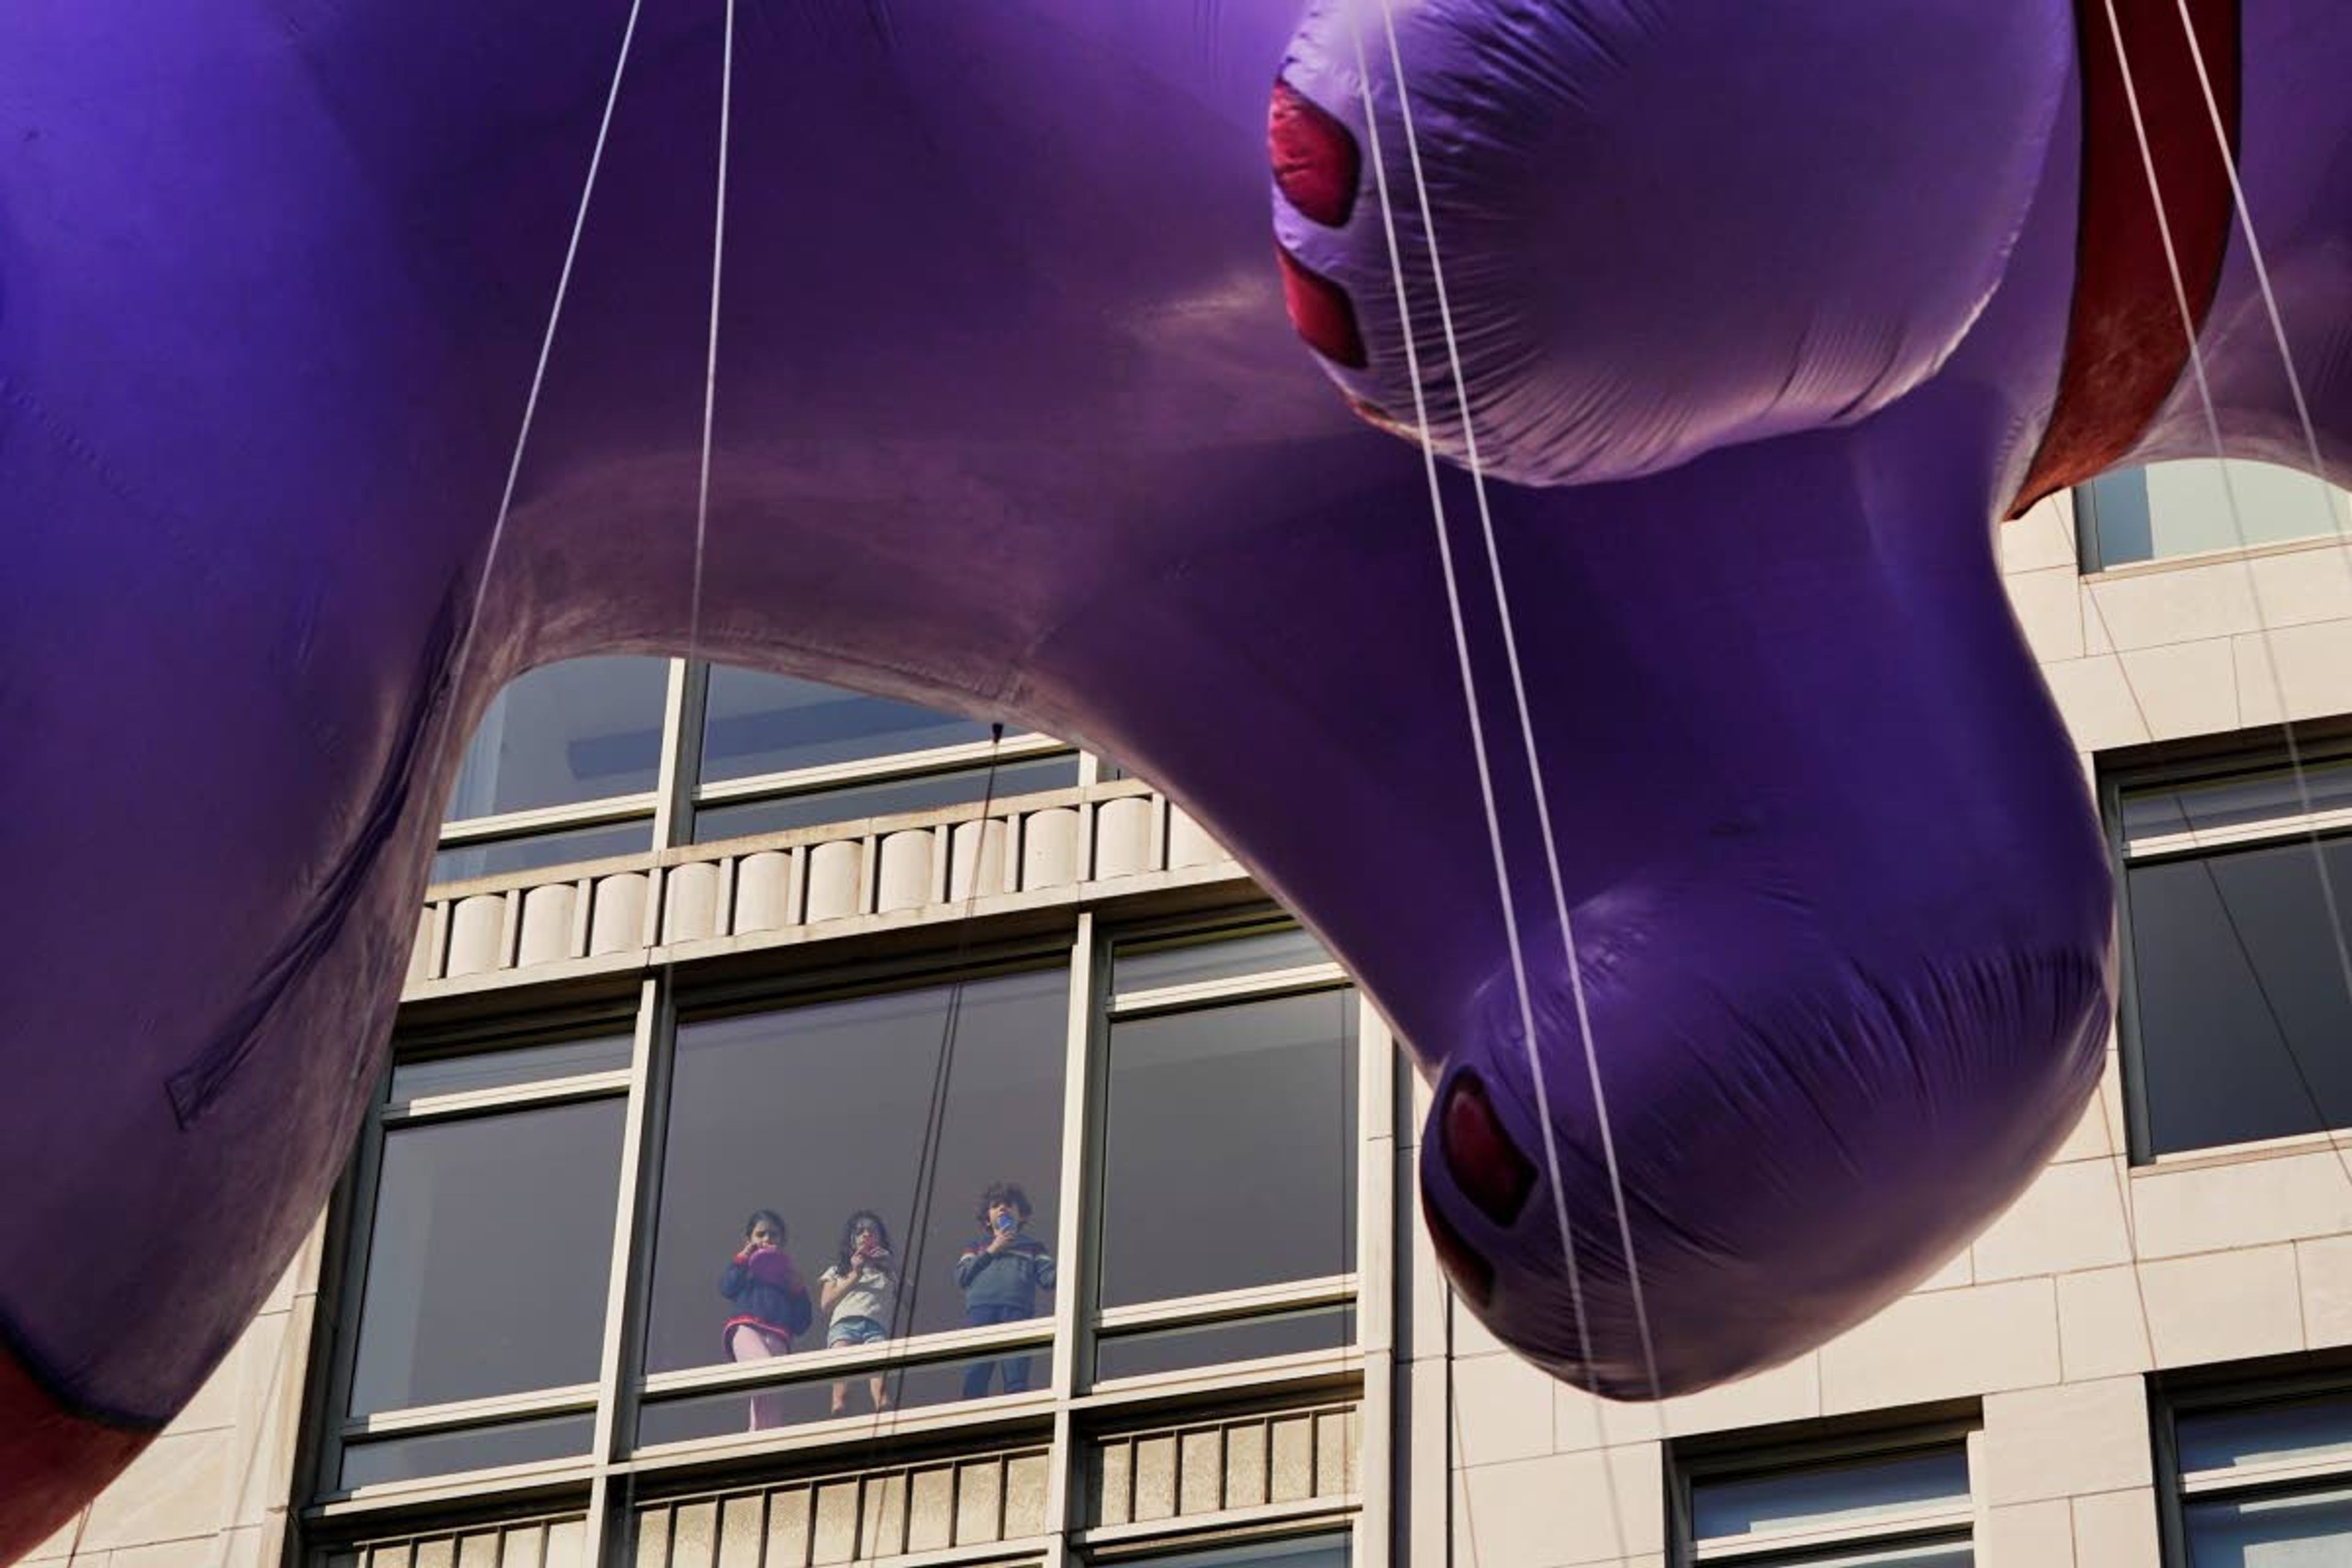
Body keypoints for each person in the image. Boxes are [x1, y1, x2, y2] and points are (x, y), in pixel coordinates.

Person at [954, 1182, 1056, 1398]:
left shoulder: (1032, 1246)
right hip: (981, 1310)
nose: (1002, 1208)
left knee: (1016, 1369)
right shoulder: (977, 1246)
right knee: (977, 1371)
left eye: (1009, 1204)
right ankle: (970, 1418)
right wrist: (992, 1249)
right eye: (995, 1205)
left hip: (1017, 1309)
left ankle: (1016, 1416)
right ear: (986, 1219)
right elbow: (962, 1276)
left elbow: (1049, 1279)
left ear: (1023, 1216)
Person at [719, 1209, 812, 1430]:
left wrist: (800, 1291)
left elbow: (802, 1324)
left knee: (771, 1393)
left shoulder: (788, 1277)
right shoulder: (745, 1271)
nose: (767, 1240)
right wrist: (743, 1257)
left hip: (779, 1337)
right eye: (761, 1235)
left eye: (774, 1235)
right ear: (749, 1240)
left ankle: (761, 1441)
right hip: (747, 1328)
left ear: (782, 1241)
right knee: (765, 1373)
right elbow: (727, 1288)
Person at [817, 1209, 898, 1415]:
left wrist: (891, 1267)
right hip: (844, 1326)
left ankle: (885, 1423)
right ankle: (841, 1426)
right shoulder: (837, 1270)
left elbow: (911, 1300)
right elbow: (826, 1304)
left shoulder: (888, 1273)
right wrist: (856, 1273)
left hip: (876, 1327)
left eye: (872, 1231)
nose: (866, 1235)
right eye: (860, 1231)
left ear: (881, 1239)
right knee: (841, 1392)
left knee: (881, 1389)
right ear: (851, 1240)